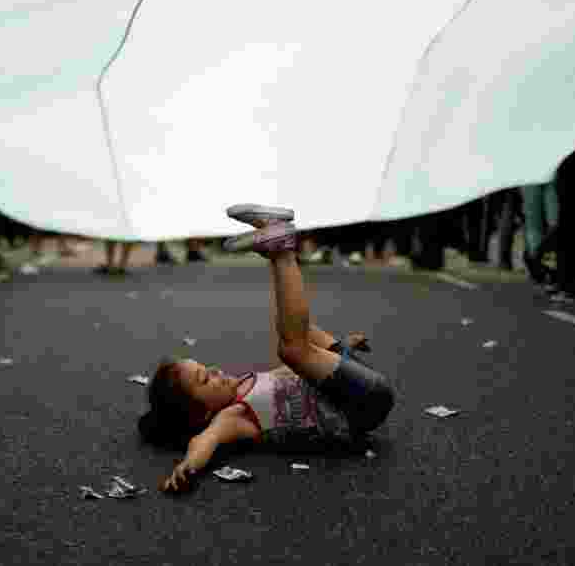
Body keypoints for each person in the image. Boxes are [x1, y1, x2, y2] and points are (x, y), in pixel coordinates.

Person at [139, 204, 395, 493]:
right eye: (204, 379)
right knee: (292, 348)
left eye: (205, 367)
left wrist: (341, 349)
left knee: (296, 338)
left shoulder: (250, 383)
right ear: (202, 415)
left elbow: (299, 374)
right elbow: (204, 442)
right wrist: (189, 467)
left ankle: (273, 239)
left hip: (350, 384)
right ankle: (281, 250)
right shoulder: (232, 417)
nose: (213, 370)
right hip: (359, 409)